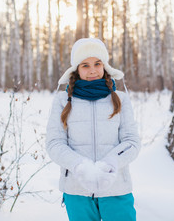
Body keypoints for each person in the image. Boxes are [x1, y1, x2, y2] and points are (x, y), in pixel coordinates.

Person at [46, 38, 141, 221]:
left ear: (104, 66)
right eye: (85, 65)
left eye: (97, 63)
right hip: (77, 191)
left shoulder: (120, 99)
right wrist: (80, 166)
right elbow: (54, 143)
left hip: (116, 189)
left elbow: (132, 142)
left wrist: (111, 163)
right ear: (76, 69)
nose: (92, 70)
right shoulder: (62, 101)